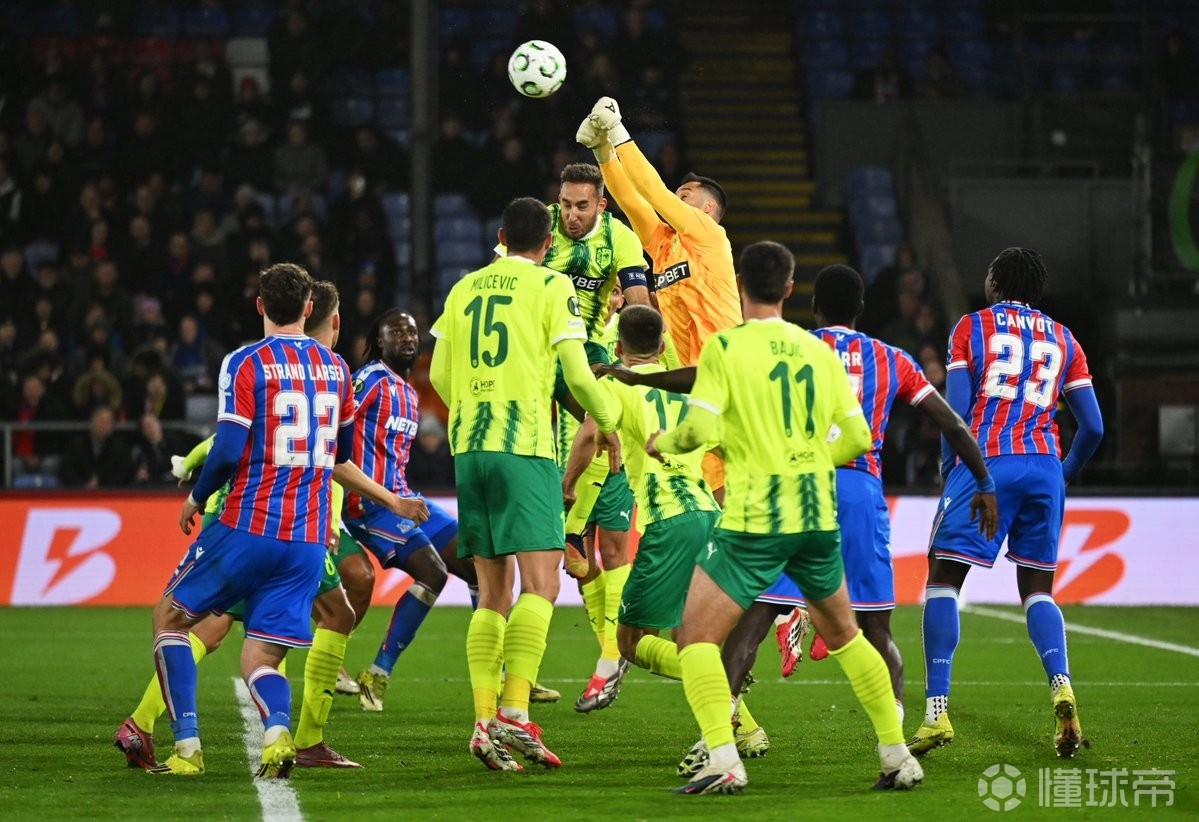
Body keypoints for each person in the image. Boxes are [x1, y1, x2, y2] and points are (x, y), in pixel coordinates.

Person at [646, 241, 924, 795]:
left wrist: (663, 443)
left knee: (693, 638)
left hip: (756, 520)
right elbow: (858, 436)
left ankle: (723, 758)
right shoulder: (815, 352)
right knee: (847, 636)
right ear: (790, 289)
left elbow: (697, 432)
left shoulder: (727, 347)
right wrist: (810, 460)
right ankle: (898, 756)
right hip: (816, 517)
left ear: (740, 285)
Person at [145, 264, 427, 777]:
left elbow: (228, 447)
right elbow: (342, 454)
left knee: (170, 619)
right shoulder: (337, 369)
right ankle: (278, 732)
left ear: (260, 306)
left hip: (247, 524)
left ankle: (186, 747)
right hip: (308, 540)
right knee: (261, 658)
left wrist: (197, 496)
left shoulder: (244, 362)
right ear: (308, 308)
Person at [715, 264, 998, 742]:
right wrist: (984, 481)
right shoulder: (891, 358)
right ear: (861, 309)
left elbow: (723, 391)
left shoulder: (789, 348)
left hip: (796, 484)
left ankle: (718, 728)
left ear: (813, 307)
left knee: (759, 612)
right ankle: (895, 744)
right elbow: (950, 422)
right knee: (875, 627)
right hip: (859, 491)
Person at [429, 197, 618, 772]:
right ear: (550, 240)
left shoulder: (463, 288)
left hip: (470, 450)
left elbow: (438, 374)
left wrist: (473, 412)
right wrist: (608, 420)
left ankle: (483, 721)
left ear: (502, 235)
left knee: (493, 594)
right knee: (541, 584)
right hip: (525, 448)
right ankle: (514, 710)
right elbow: (577, 371)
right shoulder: (552, 285)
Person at [910, 247, 1103, 760]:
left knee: (943, 579)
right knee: (1038, 590)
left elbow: (955, 412)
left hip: (988, 463)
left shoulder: (971, 327)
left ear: (994, 282)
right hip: (1044, 467)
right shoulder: (1065, 338)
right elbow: (1093, 426)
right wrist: (1062, 473)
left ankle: (936, 712)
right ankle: (1061, 685)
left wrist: (950, 467)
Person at [498, 161, 650, 711]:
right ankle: (606, 652)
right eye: (565, 204)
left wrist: (627, 316)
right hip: (544, 389)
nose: (572, 214)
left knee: (610, 545)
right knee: (569, 556)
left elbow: (641, 308)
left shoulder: (620, 239)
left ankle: (609, 656)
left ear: (601, 204)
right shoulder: (539, 233)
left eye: (582, 205)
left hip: (596, 375)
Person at [577, 96, 740, 496]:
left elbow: (653, 192)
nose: (677, 196)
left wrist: (619, 132)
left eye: (686, 194)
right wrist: (603, 152)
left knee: (731, 495)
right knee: (710, 493)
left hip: (726, 379)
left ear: (708, 207)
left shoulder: (709, 235)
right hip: (689, 384)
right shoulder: (666, 245)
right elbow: (633, 202)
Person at [345, 309, 466, 711]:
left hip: (403, 497)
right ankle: (378, 673)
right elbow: (333, 428)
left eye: (412, 331)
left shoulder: (410, 394)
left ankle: (498, 672)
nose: (407, 337)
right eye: (396, 332)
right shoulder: (368, 381)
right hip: (367, 504)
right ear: (379, 342)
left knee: (476, 559)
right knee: (433, 572)